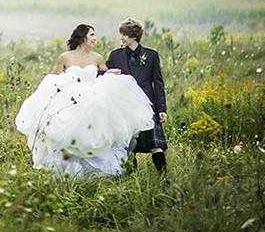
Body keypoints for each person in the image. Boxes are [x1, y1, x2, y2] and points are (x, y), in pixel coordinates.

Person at [15, 24, 155, 178]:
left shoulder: (97, 57)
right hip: (71, 98)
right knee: (68, 130)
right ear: (83, 37)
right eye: (92, 35)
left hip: (91, 96)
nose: (95, 38)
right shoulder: (65, 57)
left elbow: (103, 73)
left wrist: (110, 72)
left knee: (93, 130)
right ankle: (69, 168)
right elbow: (55, 77)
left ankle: (95, 167)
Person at [104, 18, 168, 174]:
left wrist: (161, 109)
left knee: (155, 144)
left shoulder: (151, 55)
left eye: (124, 34)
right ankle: (132, 180)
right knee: (128, 145)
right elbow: (103, 74)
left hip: (147, 105)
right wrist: (107, 72)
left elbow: (158, 83)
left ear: (134, 36)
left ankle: (165, 177)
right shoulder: (115, 55)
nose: (121, 38)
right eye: (121, 34)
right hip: (124, 106)